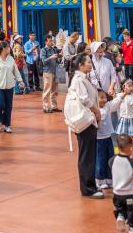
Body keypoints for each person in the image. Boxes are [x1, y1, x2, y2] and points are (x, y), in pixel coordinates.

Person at [66, 53, 102, 198]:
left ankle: (90, 184)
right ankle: (87, 188)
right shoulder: (79, 79)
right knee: (86, 155)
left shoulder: (83, 78)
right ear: (80, 65)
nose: (90, 64)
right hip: (85, 121)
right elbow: (85, 99)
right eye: (88, 62)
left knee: (89, 154)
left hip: (88, 120)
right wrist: (96, 111)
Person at [0, 43, 18, 134]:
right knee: (0, 104)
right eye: (8, 47)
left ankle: (7, 125)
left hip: (9, 85)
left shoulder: (11, 59)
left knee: (8, 106)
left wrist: (20, 80)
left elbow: (15, 70)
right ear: (3, 49)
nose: (9, 49)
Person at [40, 36, 60, 113]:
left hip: (55, 72)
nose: (51, 42)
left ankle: (54, 106)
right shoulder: (43, 50)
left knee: (54, 90)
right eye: (50, 41)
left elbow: (56, 61)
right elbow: (43, 61)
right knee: (47, 90)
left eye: (52, 40)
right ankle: (45, 107)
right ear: (46, 42)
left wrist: (59, 57)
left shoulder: (53, 49)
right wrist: (51, 57)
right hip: (47, 72)